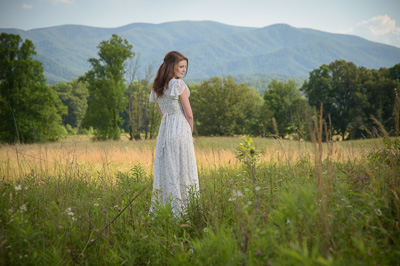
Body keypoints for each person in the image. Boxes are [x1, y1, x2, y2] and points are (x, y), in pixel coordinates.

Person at [149, 51, 199, 217]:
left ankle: (167, 211)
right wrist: (189, 134)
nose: (184, 70)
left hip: (165, 131)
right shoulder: (178, 85)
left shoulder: (157, 87)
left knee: (168, 171)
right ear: (172, 66)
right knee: (184, 171)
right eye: (181, 66)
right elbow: (189, 114)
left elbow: (163, 114)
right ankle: (185, 212)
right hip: (180, 130)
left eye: (185, 67)